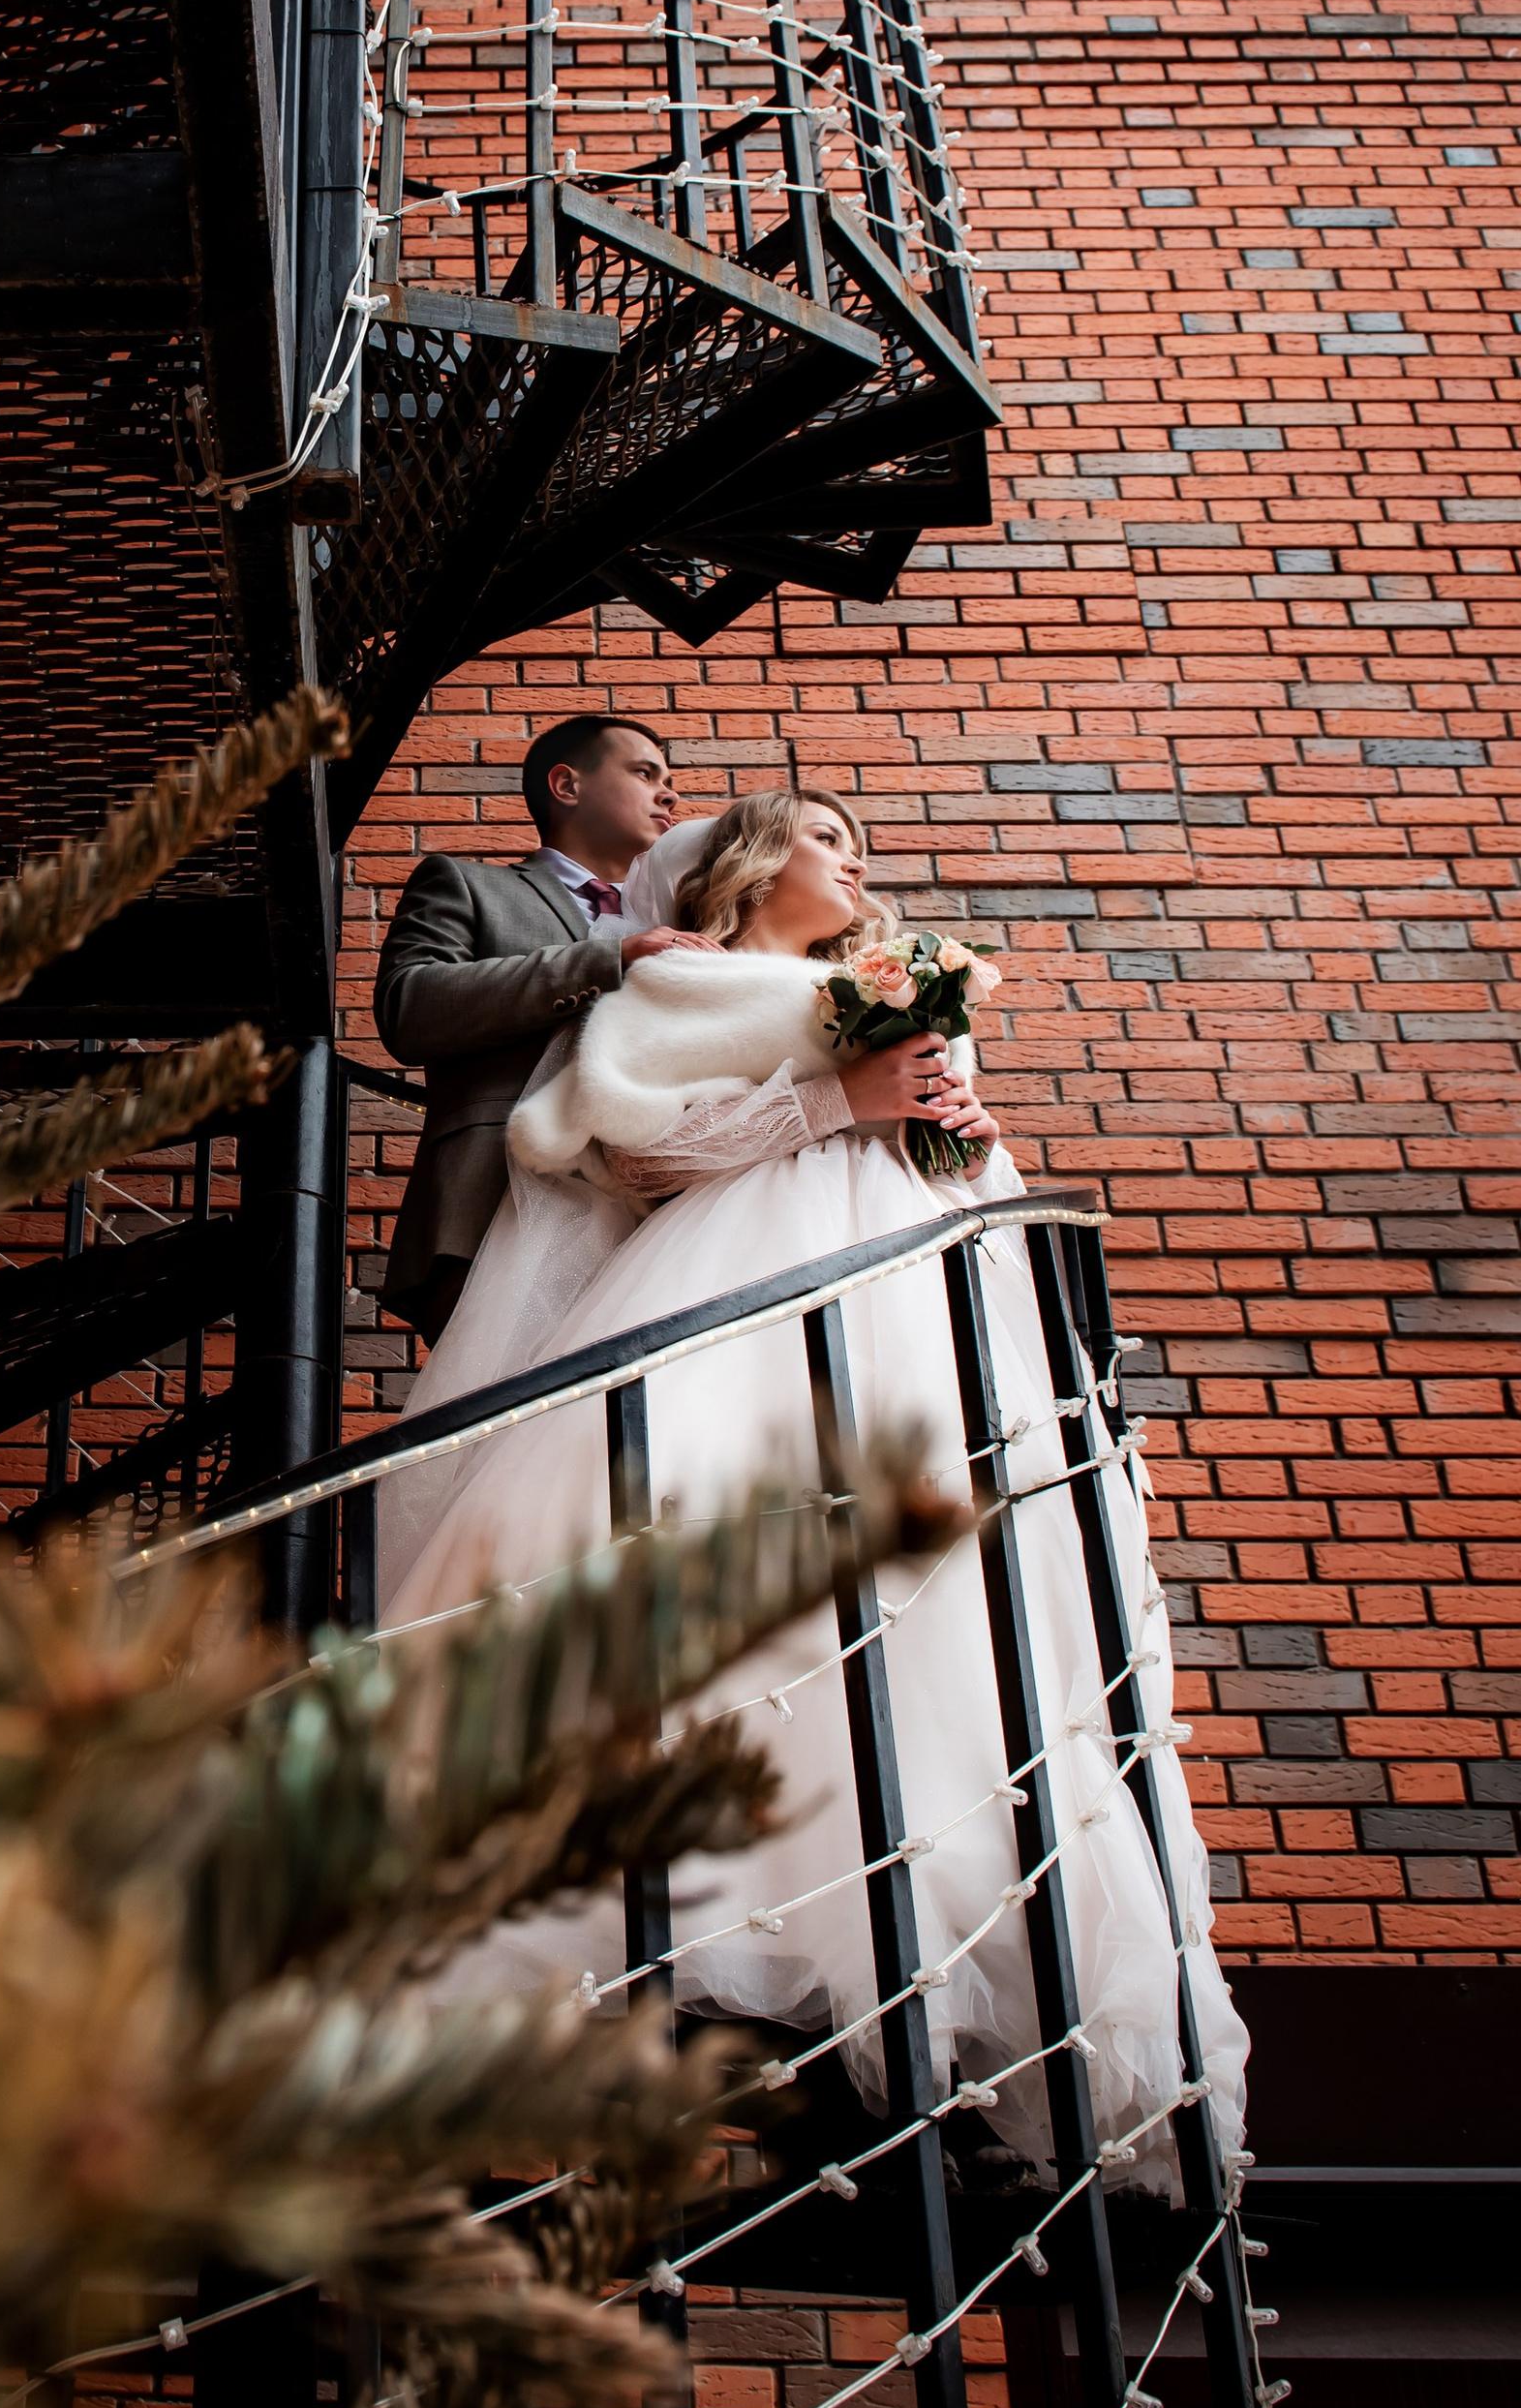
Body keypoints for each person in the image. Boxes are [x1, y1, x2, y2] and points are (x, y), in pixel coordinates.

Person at [378, 786, 1246, 2185]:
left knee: (927, 1632)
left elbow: (953, 1165)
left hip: (908, 1311)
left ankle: (915, 2026)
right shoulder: (683, 985)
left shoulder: (884, 988)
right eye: (827, 836)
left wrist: (952, 1121)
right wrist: (839, 1099)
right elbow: (642, 1153)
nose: (854, 858)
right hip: (741, 1288)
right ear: (747, 863)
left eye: (857, 843)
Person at [374, 716, 704, 1346]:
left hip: (659, 1227)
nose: (670, 794)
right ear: (567, 785)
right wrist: (609, 959)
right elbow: (409, 1006)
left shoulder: (686, 924)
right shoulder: (468, 885)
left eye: (669, 780)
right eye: (645, 773)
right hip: (493, 1200)